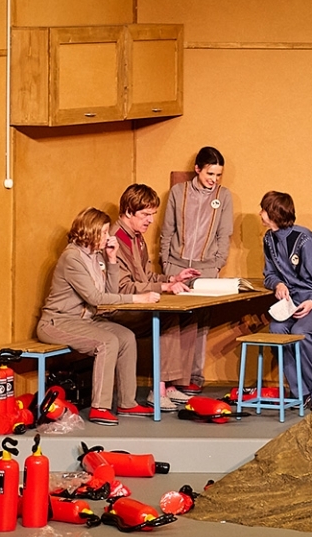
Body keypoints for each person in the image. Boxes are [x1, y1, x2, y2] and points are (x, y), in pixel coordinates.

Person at [36, 207, 158, 424]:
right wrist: (138, 299)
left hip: (84, 320)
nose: (107, 237)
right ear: (90, 231)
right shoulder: (72, 258)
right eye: (103, 232)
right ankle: (99, 407)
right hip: (57, 322)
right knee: (107, 342)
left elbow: (110, 293)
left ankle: (127, 402)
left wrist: (111, 260)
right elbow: (95, 298)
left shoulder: (95, 256)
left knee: (126, 337)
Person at [109, 183, 200, 409]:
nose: (150, 220)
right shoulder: (115, 239)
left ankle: (172, 384)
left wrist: (173, 279)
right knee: (167, 318)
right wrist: (164, 287)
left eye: (152, 214)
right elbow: (122, 288)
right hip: (119, 309)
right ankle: (158, 390)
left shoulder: (137, 237)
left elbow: (146, 276)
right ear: (128, 211)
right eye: (145, 214)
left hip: (139, 304)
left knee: (189, 315)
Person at [257, 190, 312, 410]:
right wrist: (278, 284)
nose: (260, 214)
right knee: (277, 330)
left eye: (263, 210)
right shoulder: (268, 239)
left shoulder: (305, 239)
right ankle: (300, 392)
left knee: (301, 332)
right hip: (293, 303)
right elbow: (269, 274)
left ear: (274, 213)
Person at [161, 146, 234, 391]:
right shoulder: (177, 192)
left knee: (200, 325)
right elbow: (166, 231)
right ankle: (172, 380)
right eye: (210, 174)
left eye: (218, 175)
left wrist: (217, 264)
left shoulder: (224, 196)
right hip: (176, 266)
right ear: (197, 169)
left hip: (207, 272)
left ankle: (194, 378)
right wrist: (166, 264)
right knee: (173, 325)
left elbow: (224, 235)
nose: (214, 179)